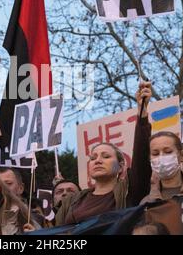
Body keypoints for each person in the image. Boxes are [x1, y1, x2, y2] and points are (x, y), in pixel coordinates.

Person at [54, 81, 154, 225]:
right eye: (93, 158)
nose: (98, 160)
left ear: (120, 167)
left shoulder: (129, 191)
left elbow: (142, 156)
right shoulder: (73, 201)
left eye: (106, 156)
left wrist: (142, 111)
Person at [133, 82, 183, 205]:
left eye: (167, 151)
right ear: (150, 158)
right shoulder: (146, 203)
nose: (161, 157)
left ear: (181, 155)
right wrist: (142, 109)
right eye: (155, 153)